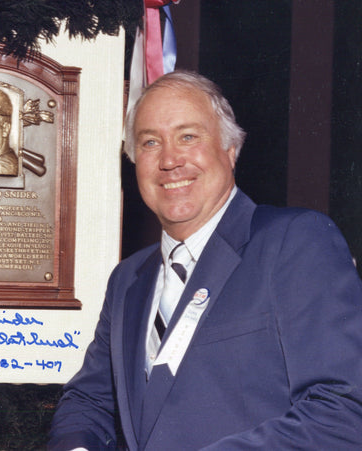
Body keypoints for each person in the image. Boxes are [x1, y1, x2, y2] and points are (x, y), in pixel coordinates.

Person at [48, 70, 362, 450]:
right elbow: (89, 400)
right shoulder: (128, 280)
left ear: (230, 149)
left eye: (188, 136)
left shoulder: (294, 241)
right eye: (150, 142)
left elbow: (343, 409)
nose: (169, 160)